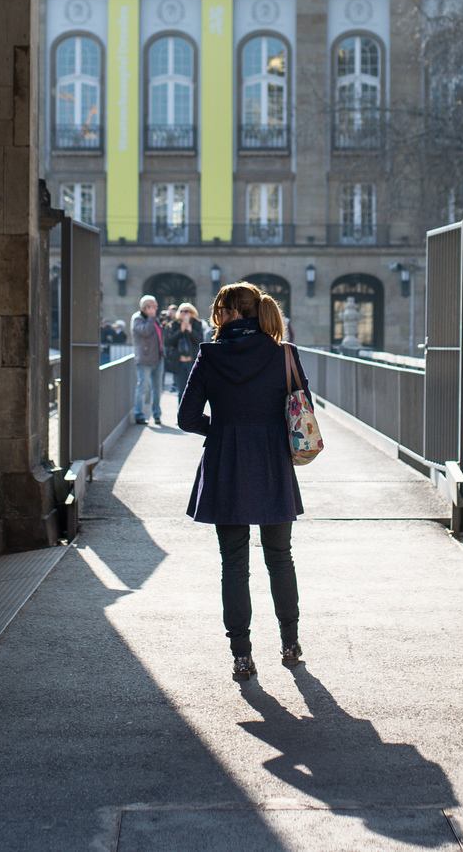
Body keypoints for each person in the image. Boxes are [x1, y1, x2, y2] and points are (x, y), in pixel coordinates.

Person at [177, 281, 307, 681]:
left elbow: (186, 417)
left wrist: (220, 429)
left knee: (233, 563)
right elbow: (302, 410)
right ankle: (290, 642)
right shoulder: (283, 354)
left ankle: (242, 655)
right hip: (272, 461)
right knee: (279, 556)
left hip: (226, 463)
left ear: (228, 313)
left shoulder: (209, 356)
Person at [130, 294, 164, 425]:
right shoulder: (137, 318)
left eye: (155, 306)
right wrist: (151, 318)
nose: (155, 308)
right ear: (145, 307)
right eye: (152, 306)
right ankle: (138, 415)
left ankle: (157, 415)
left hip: (158, 358)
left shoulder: (154, 319)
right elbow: (145, 332)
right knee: (142, 387)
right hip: (144, 359)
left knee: (157, 388)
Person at [165, 302, 206, 394]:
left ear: (192, 312)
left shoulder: (197, 324)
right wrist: (181, 330)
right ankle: (181, 409)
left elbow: (200, 341)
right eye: (181, 311)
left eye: (186, 311)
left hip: (193, 362)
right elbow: (168, 342)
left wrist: (191, 331)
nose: (183, 313)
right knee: (181, 391)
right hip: (179, 363)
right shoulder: (174, 324)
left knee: (194, 390)